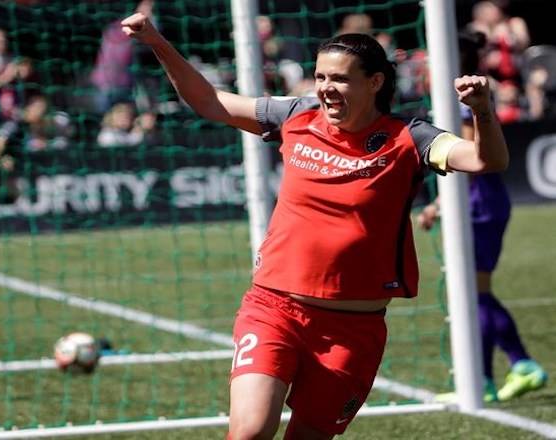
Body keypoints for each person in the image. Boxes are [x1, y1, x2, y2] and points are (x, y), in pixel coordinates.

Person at [122, 13, 509, 439]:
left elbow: (484, 160)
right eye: (320, 76)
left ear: (375, 82)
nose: (325, 87)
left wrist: (482, 113)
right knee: (249, 432)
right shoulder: (296, 116)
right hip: (274, 310)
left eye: (339, 79)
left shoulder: (410, 138)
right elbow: (210, 101)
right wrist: (156, 40)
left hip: (353, 330)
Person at [417, 29, 547, 404]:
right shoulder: (452, 102)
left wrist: (441, 204)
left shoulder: (461, 106)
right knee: (474, 293)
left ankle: (516, 366)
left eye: (430, 57)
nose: (425, 64)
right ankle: (488, 378)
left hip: (479, 204)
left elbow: (473, 158)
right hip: (478, 202)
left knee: (475, 293)